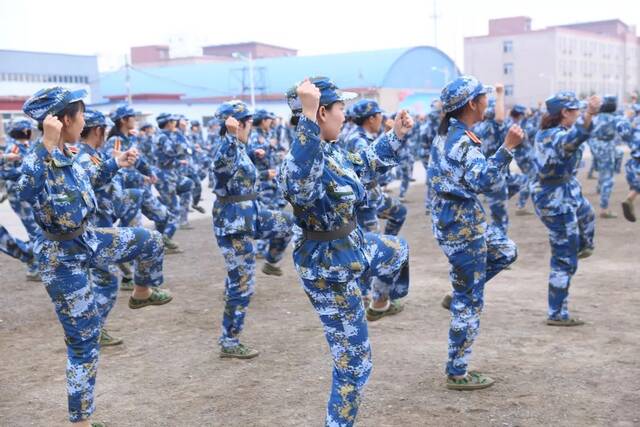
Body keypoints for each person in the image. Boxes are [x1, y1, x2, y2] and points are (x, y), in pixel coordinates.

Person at [18, 87, 173, 426]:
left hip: (88, 240)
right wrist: (45, 144)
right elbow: (26, 191)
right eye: (81, 115)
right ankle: (81, 422)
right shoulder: (38, 156)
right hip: (61, 258)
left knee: (150, 240)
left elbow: (88, 180)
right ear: (63, 120)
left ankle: (142, 293)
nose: (85, 121)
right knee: (84, 344)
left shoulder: (70, 152)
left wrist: (115, 163)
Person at [279, 77, 414, 426]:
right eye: (340, 108)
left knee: (397, 248)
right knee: (355, 364)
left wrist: (395, 135)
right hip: (328, 268)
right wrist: (308, 117)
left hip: (350, 248)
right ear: (322, 112)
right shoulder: (302, 157)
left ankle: (381, 301)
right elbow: (301, 184)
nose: (345, 115)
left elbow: (367, 161)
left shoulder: (334, 148)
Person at [428, 75, 522, 390]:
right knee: (470, 301)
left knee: (507, 251)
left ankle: (459, 292)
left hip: (461, 220)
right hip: (461, 227)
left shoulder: (452, 133)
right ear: (472, 103)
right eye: (484, 97)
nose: (487, 102)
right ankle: (457, 371)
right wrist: (507, 149)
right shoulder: (461, 141)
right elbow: (483, 181)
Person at [210, 100, 294, 359]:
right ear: (240, 124)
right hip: (234, 223)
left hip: (251, 215)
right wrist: (231, 135)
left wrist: (264, 171)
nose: (250, 128)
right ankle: (230, 342)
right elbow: (221, 167)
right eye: (247, 124)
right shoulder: (226, 147)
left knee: (287, 223)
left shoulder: (240, 148)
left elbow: (241, 175)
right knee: (242, 284)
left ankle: (270, 261)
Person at [531, 91, 601, 326]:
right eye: (576, 110)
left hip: (567, 188)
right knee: (563, 258)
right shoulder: (551, 136)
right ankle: (557, 313)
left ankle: (580, 248)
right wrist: (590, 114)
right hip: (553, 198)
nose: (579, 112)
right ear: (564, 113)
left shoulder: (558, 132)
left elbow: (579, 134)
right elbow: (573, 139)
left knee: (588, 214)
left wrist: (590, 116)